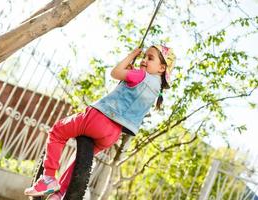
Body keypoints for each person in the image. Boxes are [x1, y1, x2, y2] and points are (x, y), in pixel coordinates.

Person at [24, 45, 176, 199]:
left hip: (98, 118)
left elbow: (115, 72)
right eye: (144, 56)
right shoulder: (156, 91)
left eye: (150, 58)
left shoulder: (140, 75)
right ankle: (60, 194)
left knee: (57, 131)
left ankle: (48, 178)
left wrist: (131, 56)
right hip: (112, 134)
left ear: (162, 67)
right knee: (79, 163)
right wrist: (130, 73)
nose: (144, 60)